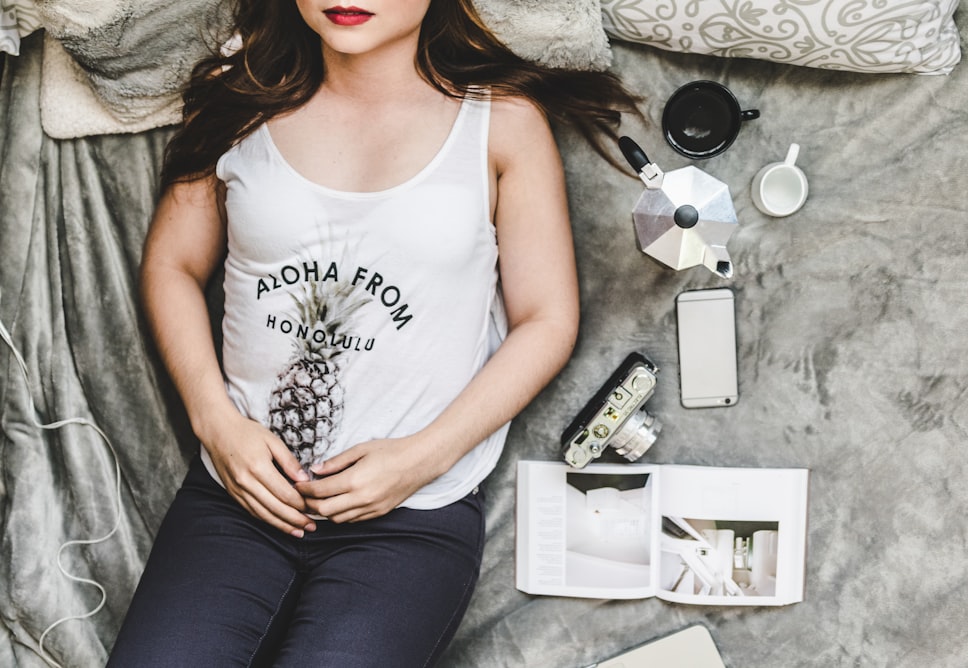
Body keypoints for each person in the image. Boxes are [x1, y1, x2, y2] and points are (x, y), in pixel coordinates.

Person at [108, 1, 639, 665]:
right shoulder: (237, 96)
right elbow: (172, 264)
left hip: (410, 516)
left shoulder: (501, 122)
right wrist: (215, 422)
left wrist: (424, 456)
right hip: (239, 495)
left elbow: (547, 320)